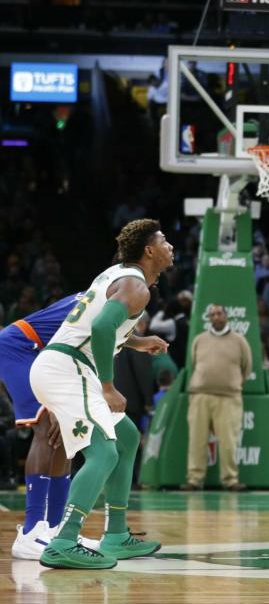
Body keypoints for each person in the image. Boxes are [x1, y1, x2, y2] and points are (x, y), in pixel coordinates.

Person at [31, 219, 173, 568]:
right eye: (165, 241)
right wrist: (108, 387)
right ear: (150, 251)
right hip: (69, 367)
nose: (171, 246)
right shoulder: (137, 287)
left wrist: (137, 342)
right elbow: (100, 326)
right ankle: (64, 540)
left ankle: (116, 534)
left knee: (126, 438)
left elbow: (99, 323)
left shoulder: (117, 274)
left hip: (64, 364)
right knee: (104, 454)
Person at [2, 293, 166, 559]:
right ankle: (31, 531)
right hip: (22, 348)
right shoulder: (113, 294)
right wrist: (55, 402)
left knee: (66, 436)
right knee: (45, 429)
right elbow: (85, 335)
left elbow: (105, 333)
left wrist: (139, 343)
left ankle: (55, 528)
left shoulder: (109, 295)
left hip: (49, 355)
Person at [182, 304, 252, 492]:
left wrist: (231, 383)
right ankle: (195, 479)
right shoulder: (199, 340)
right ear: (209, 318)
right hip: (200, 395)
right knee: (196, 440)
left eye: (219, 313)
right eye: (212, 314)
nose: (216, 316)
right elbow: (193, 363)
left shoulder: (239, 341)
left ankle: (230, 480)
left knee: (229, 441)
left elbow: (247, 368)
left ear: (226, 316)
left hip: (229, 397)